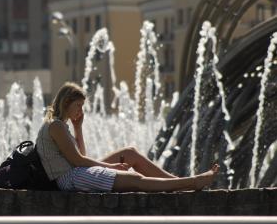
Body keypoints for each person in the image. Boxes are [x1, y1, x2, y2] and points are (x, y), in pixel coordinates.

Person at [35, 82, 219, 193]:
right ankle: (191, 183)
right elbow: (78, 160)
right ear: (66, 103)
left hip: (75, 173)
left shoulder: (61, 125)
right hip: (69, 179)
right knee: (134, 180)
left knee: (130, 153)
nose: (81, 111)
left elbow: (80, 156)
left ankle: (178, 183)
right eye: (78, 105)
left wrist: (78, 128)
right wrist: (112, 167)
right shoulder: (56, 126)